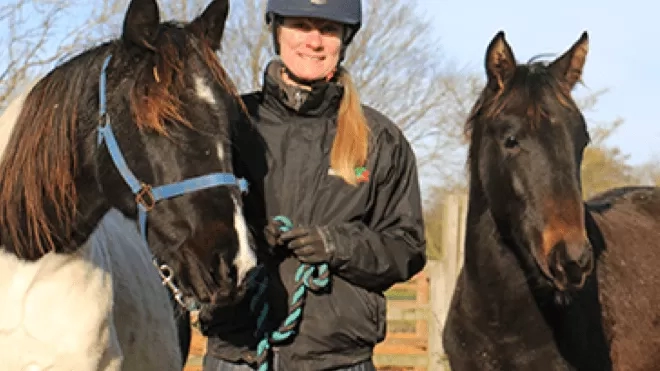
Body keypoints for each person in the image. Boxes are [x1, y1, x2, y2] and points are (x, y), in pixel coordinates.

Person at [199, 0, 427, 370]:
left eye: (328, 29)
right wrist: (249, 238)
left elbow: (407, 247)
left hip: (337, 359)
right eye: (301, 26)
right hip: (239, 352)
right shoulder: (229, 127)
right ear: (277, 30)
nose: (314, 41)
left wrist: (337, 245)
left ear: (344, 39)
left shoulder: (380, 140)